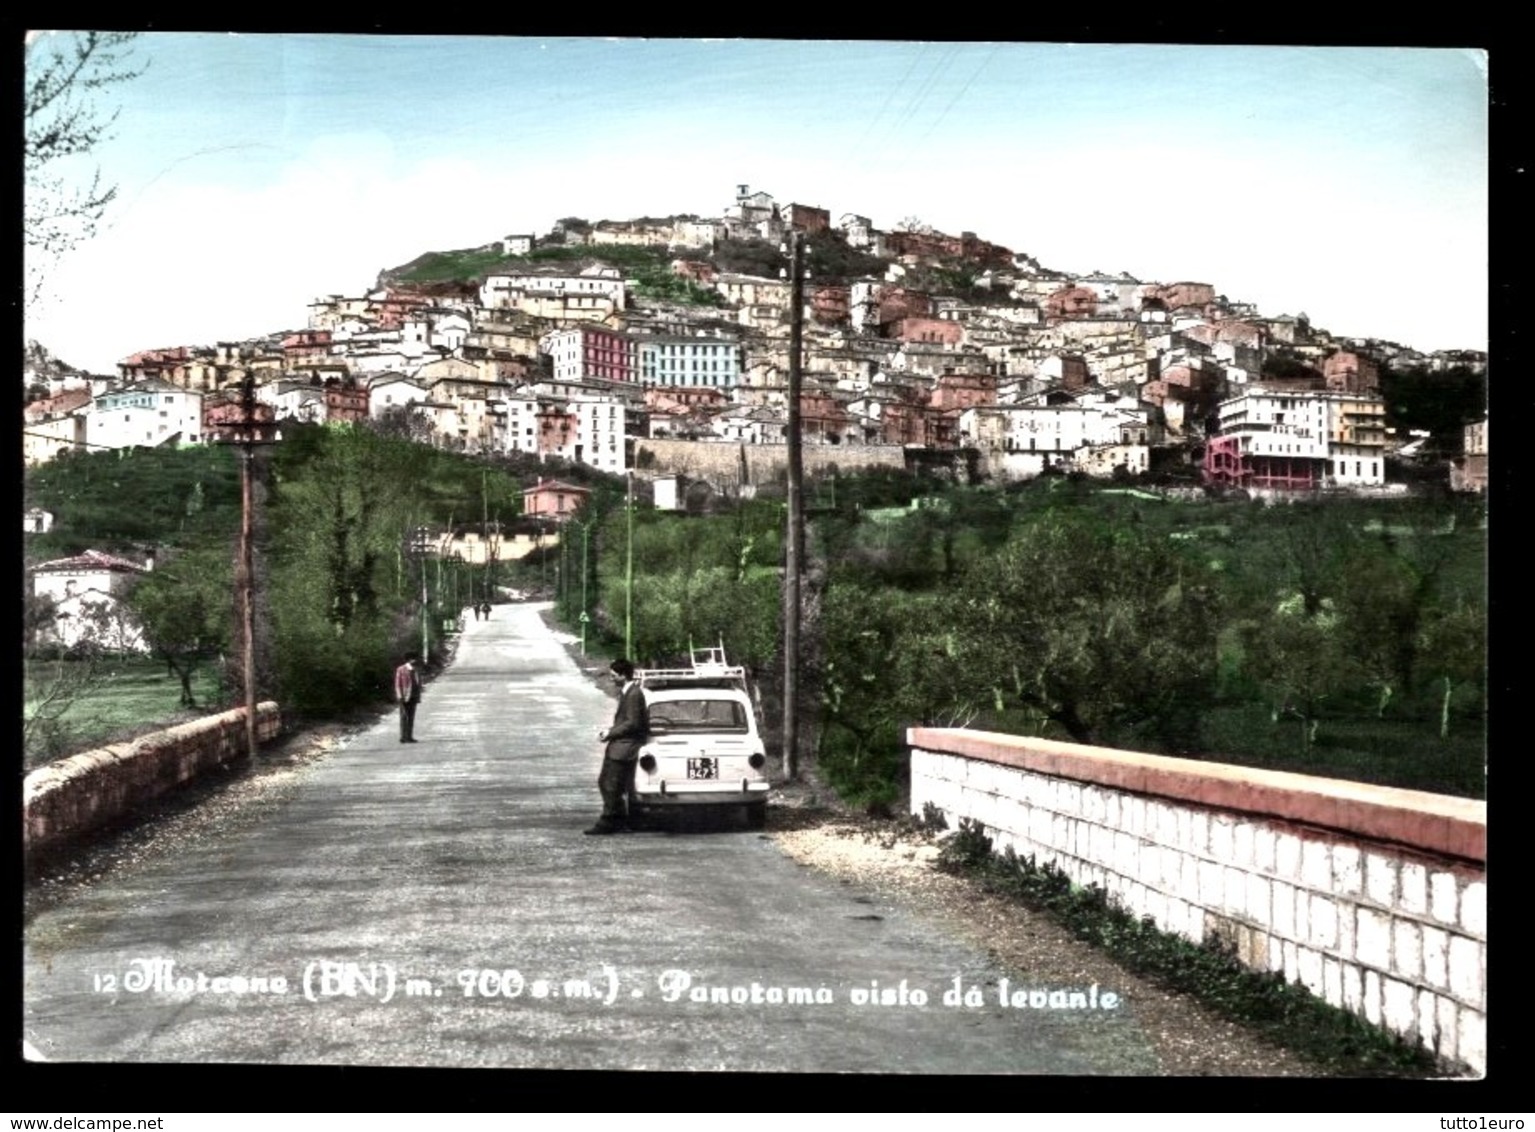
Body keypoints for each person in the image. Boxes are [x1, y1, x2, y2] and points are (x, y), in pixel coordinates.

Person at [585, 658, 648, 835]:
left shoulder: (634, 694)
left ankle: (609, 821)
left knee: (609, 784)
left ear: (623, 675)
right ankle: (619, 819)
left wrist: (610, 733)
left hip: (625, 747)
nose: (611, 679)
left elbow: (633, 723)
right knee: (611, 784)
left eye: (614, 676)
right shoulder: (628, 692)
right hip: (622, 744)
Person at [394, 654, 423, 743]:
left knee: (411, 717)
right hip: (404, 697)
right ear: (409, 659)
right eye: (413, 659)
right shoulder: (401, 669)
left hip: (413, 696)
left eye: (416, 658)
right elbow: (398, 684)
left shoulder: (416, 669)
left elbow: (418, 683)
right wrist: (399, 696)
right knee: (403, 716)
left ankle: (409, 737)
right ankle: (403, 737)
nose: (415, 660)